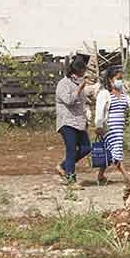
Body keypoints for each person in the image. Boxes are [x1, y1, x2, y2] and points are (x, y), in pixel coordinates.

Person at [94, 66, 130, 184]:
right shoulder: (104, 94)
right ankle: (128, 178)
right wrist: (98, 125)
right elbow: (99, 111)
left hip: (119, 128)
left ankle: (100, 176)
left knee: (109, 150)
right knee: (116, 151)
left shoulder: (122, 93)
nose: (120, 81)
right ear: (110, 79)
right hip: (108, 128)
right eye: (118, 78)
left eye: (121, 79)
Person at [55, 56, 90, 184]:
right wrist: (79, 89)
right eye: (81, 73)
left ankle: (63, 166)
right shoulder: (63, 84)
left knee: (86, 147)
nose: (82, 75)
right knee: (71, 150)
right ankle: (71, 180)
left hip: (79, 121)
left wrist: (86, 118)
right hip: (67, 122)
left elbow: (82, 103)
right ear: (74, 72)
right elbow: (69, 101)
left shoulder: (77, 83)